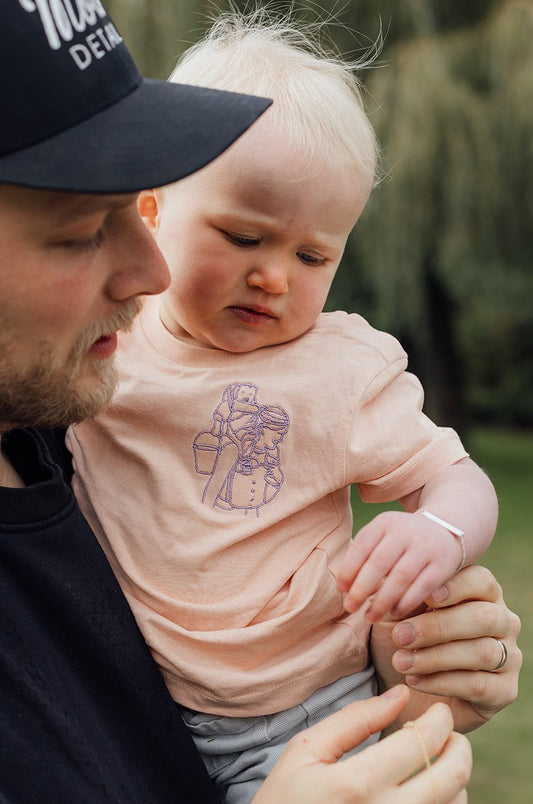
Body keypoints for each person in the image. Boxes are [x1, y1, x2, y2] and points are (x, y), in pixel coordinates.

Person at [0, 3, 520, 803]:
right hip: (185, 712)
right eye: (78, 231)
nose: (274, 277)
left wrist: (430, 568)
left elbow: (449, 476)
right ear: (161, 209)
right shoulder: (109, 362)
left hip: (311, 706)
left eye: (312, 255)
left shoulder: (327, 367)